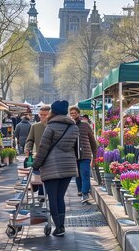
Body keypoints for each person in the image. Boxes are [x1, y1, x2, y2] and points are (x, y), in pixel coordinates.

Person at [32, 100, 79, 237]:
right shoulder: (74, 127)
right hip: (68, 166)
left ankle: (59, 227)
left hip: (52, 166)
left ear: (54, 112)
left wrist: (36, 165)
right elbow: (76, 148)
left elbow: (43, 149)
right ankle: (61, 226)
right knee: (60, 197)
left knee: (52, 197)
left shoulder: (50, 127)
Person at [70, 106, 98, 203]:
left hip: (85, 154)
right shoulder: (69, 126)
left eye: (75, 113)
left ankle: (85, 194)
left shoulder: (85, 125)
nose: (73, 115)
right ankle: (80, 191)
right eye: (71, 113)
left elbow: (92, 141)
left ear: (79, 113)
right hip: (74, 155)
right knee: (77, 175)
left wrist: (94, 156)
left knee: (85, 173)